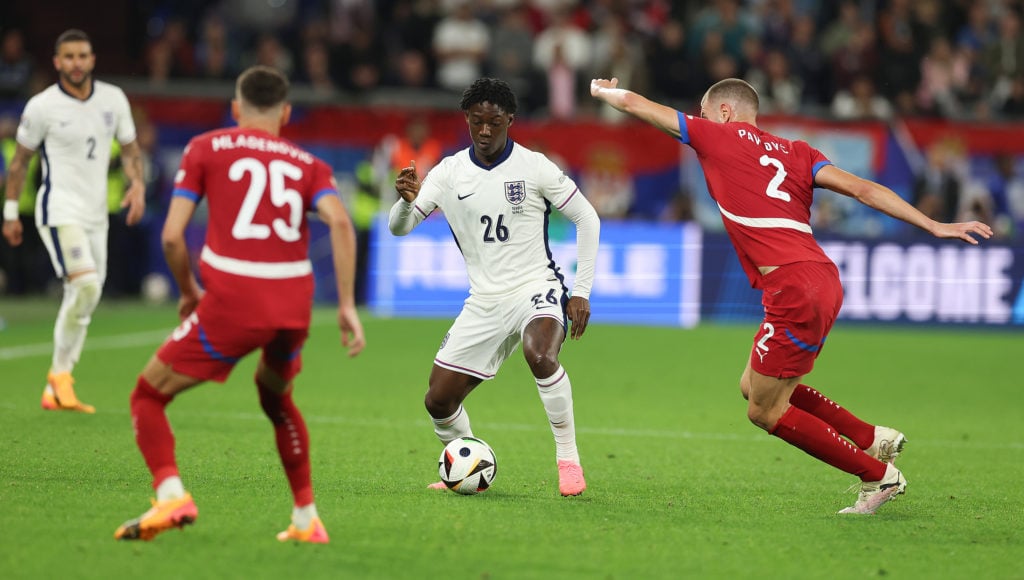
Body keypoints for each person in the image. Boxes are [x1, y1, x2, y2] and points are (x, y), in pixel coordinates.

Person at [590, 77, 993, 514]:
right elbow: (863, 189)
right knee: (753, 385)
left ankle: (877, 477)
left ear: (724, 113)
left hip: (793, 287)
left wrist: (603, 91)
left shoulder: (718, 135)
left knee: (765, 411)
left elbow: (636, 103)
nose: (699, 125)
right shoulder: (800, 152)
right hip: (821, 278)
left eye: (704, 115)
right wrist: (933, 225)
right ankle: (872, 439)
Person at [113, 65, 366, 543]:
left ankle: (170, 496)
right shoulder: (310, 165)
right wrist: (348, 304)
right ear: (286, 113)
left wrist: (189, 292)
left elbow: (171, 237)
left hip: (234, 299)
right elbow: (341, 224)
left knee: (147, 396)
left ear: (235, 109)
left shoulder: (205, 147)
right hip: (293, 304)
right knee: (276, 396)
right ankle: (305, 517)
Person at [390, 77, 600, 496]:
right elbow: (401, 227)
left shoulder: (534, 166)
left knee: (539, 354)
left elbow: (587, 217)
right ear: (466, 119)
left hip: (534, 288)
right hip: (483, 301)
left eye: (495, 122)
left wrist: (581, 291)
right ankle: (463, 465)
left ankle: (568, 460)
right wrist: (405, 201)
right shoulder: (449, 173)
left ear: (510, 121)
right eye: (477, 122)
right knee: (438, 401)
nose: (485, 131)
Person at [1, 29, 145, 413]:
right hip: (59, 210)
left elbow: (131, 150)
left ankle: (57, 383)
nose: (76, 63)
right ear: (57, 62)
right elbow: (19, 163)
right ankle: (60, 377)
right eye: (69, 57)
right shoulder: (43, 106)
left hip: (98, 214)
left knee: (88, 292)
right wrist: (11, 213)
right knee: (83, 286)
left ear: (92, 59)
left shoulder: (113, 99)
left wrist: (138, 185)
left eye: (82, 55)